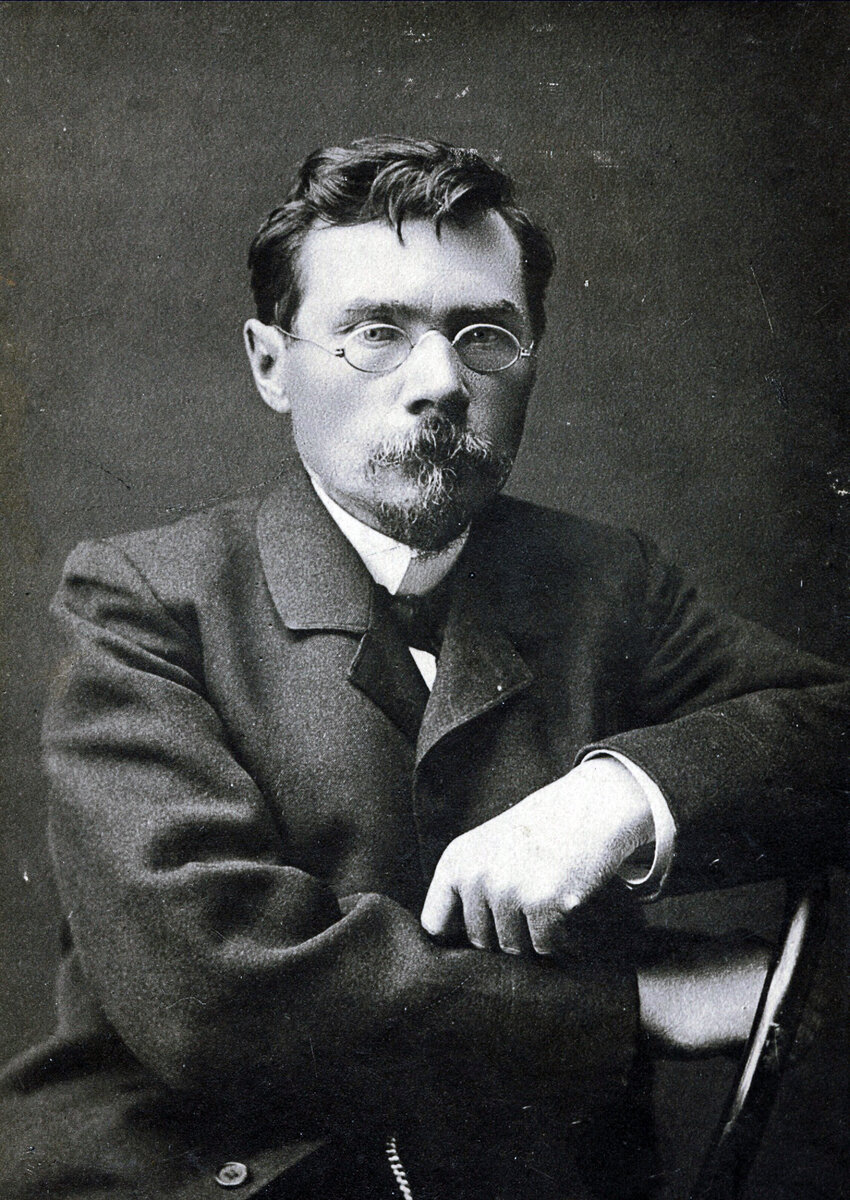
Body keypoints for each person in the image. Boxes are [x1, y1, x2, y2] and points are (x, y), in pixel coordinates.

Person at [1, 136, 846, 1200]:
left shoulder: (607, 582)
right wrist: (627, 1004)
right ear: (271, 365)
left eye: (484, 334)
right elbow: (213, 995)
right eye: (376, 333)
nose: (441, 381)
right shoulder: (143, 596)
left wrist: (620, 798)